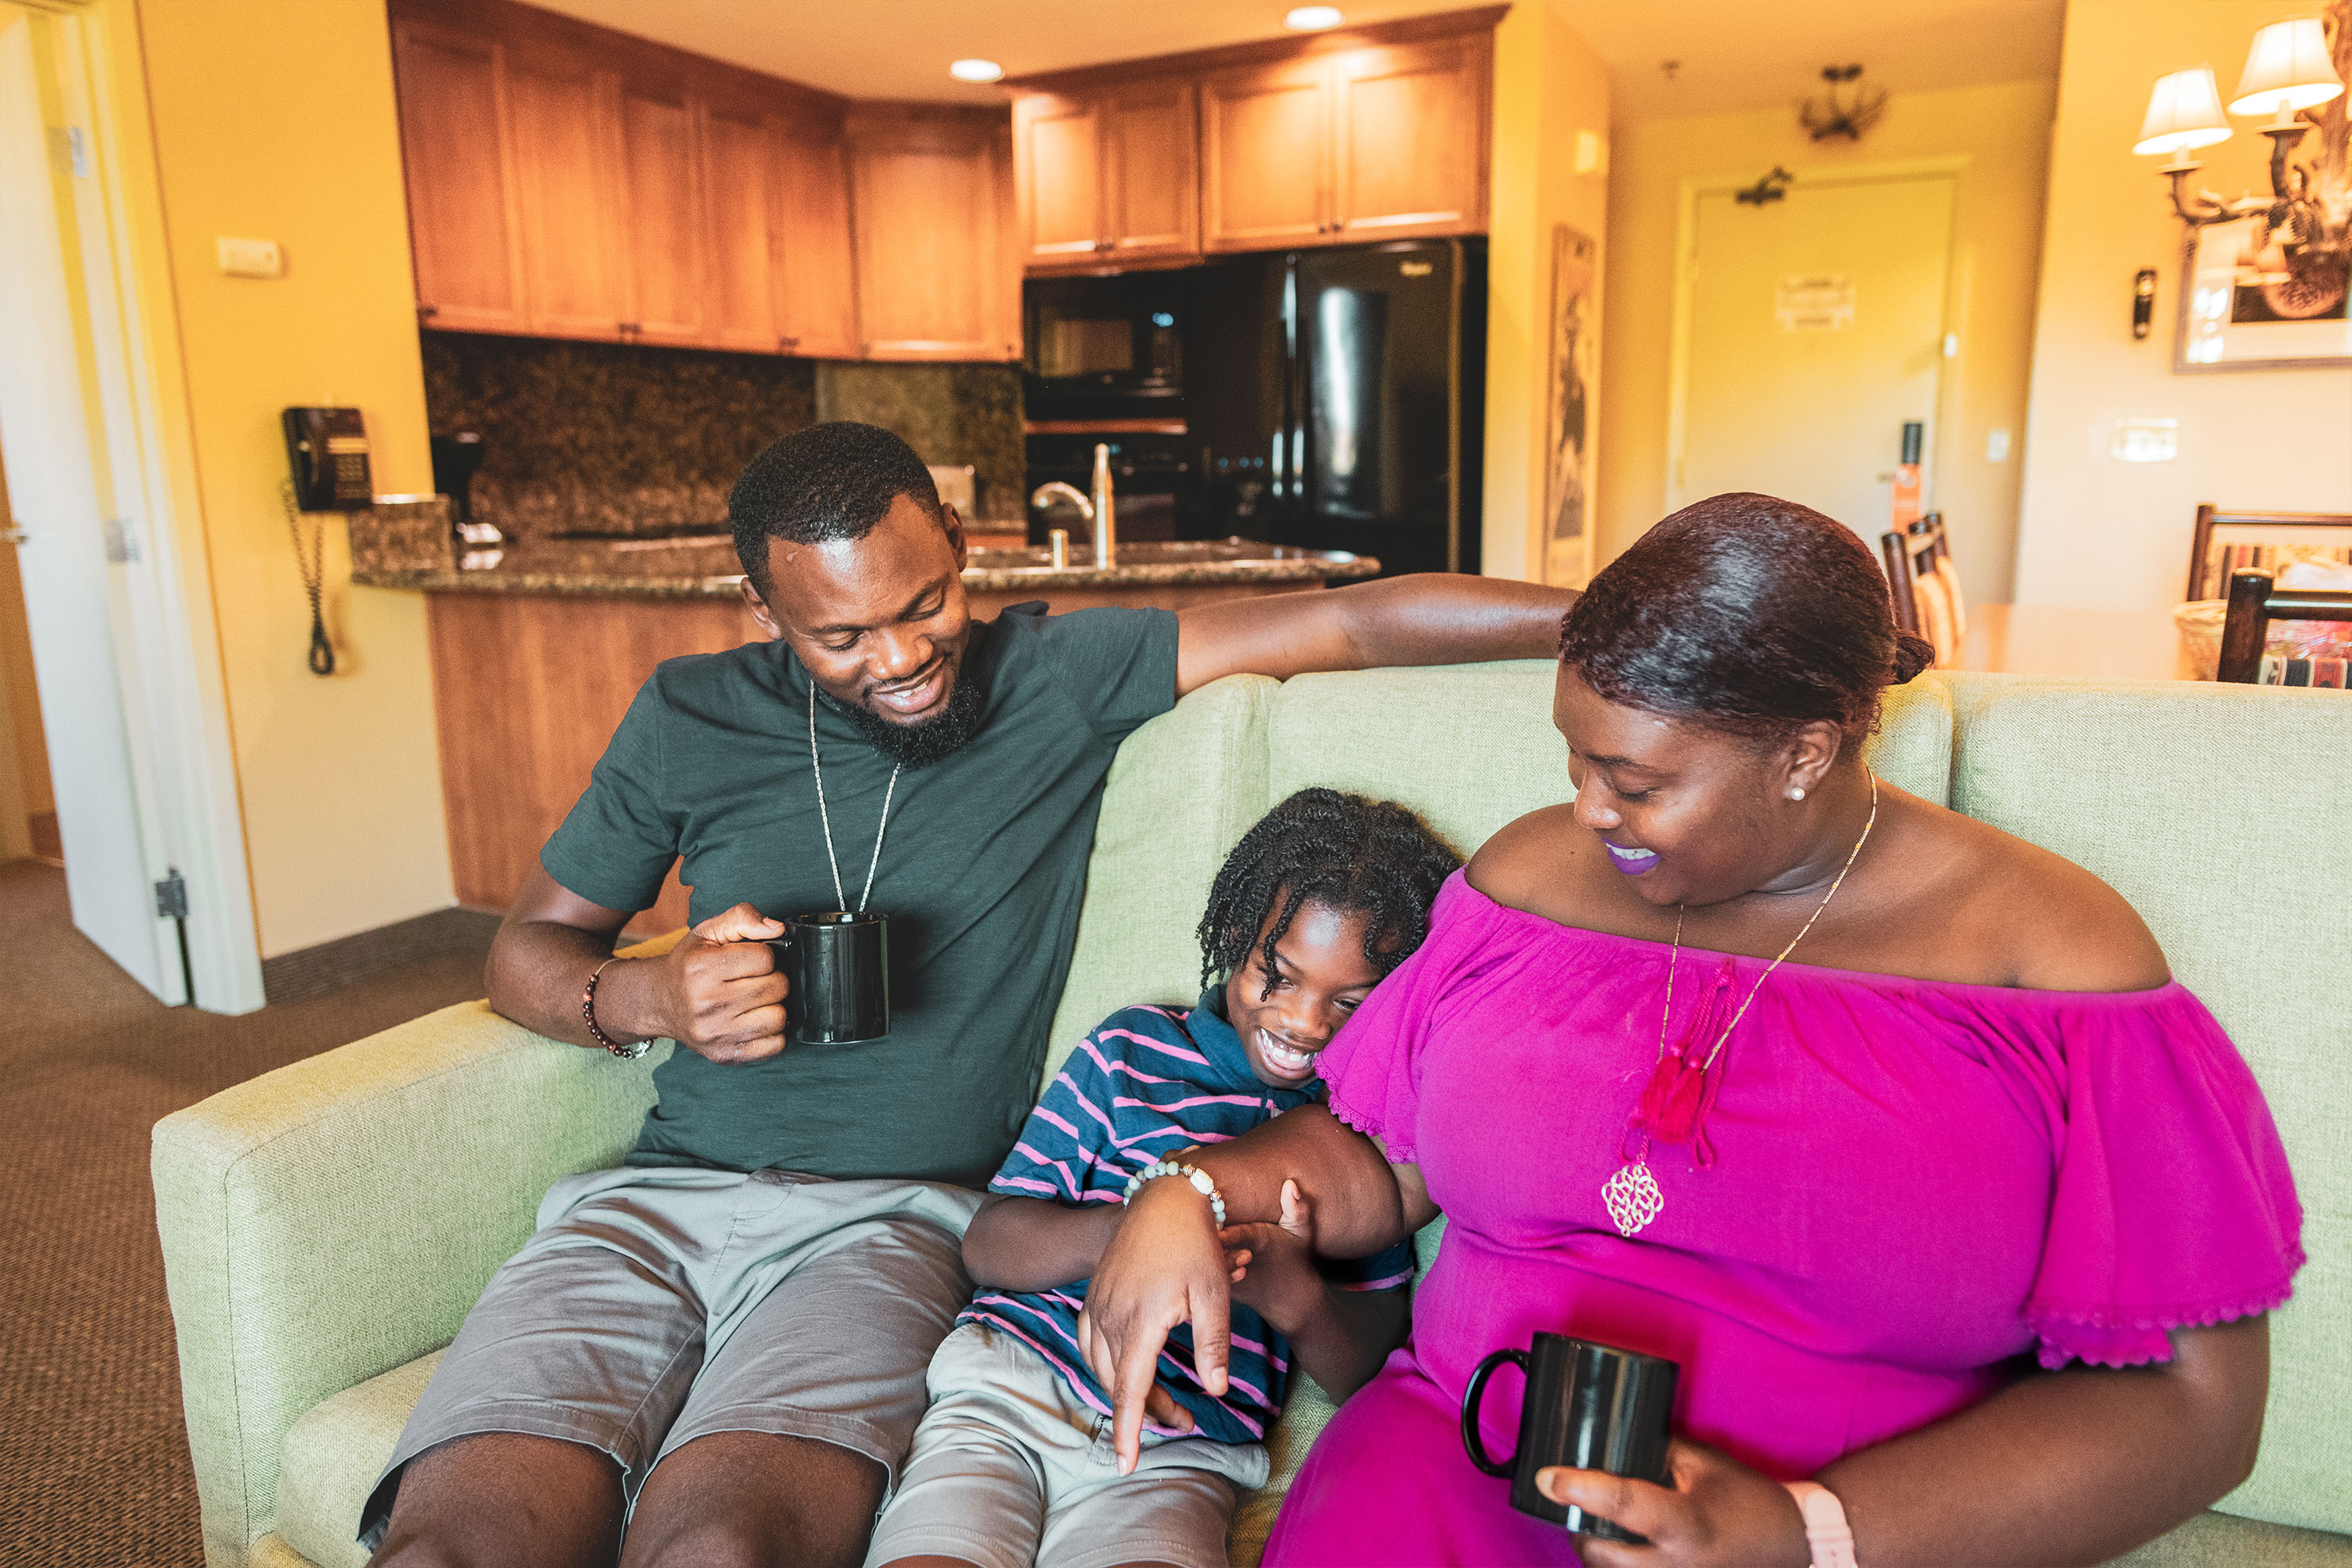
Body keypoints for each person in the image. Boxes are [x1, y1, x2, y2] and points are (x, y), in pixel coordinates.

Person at [361, 422, 1576, 1568]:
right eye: (842, 638)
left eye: (924, 603)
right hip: (649, 1205)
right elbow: (525, 949)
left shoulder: (1058, 677)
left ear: (957, 537)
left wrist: (1608, 627)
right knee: (446, 1549)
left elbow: (1350, 626)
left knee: (720, 1548)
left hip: (892, 1226)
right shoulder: (689, 716)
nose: (900, 659)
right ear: (763, 609)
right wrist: (650, 1000)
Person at [1076, 493, 2303, 1568]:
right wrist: (1185, 1187)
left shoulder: (2059, 968)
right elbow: (1377, 1157)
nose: (1588, 806)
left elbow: (2195, 1406)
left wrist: (1807, 1533)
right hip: (1459, 1462)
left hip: (1831, 1528)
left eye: (1640, 782)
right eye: (1576, 758)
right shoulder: (1524, 884)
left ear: (1805, 754)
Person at [866, 789, 1454, 1568]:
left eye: (1349, 1003)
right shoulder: (1129, 1050)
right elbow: (989, 1243)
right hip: (1011, 1389)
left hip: (1185, 1450)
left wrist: (1290, 1288)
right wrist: (1145, 1233)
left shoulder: (1357, 1145)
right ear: (1237, 937)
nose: (1305, 1024)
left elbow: (1368, 1372)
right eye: (1275, 977)